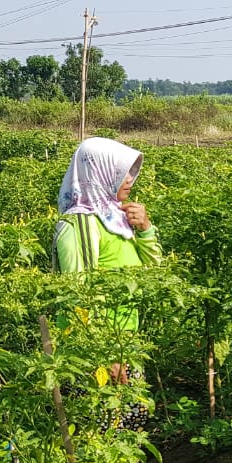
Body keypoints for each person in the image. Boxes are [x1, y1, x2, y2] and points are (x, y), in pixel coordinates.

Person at [52, 137, 162, 431]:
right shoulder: (79, 226)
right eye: (122, 171)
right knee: (98, 432)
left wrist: (146, 229)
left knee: (131, 428)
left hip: (126, 342)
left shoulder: (117, 217)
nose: (129, 179)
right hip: (96, 351)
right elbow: (79, 295)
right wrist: (104, 356)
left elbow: (154, 274)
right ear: (98, 172)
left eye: (131, 172)